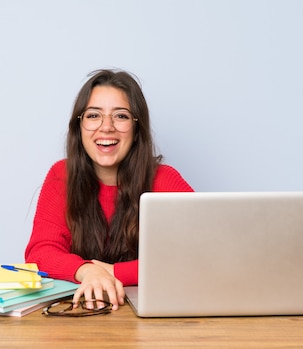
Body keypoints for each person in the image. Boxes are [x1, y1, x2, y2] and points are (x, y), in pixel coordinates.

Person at [24, 69, 193, 310]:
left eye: (121, 116)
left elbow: (199, 252)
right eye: (93, 115)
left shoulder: (164, 180)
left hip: (154, 317)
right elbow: (41, 252)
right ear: (79, 126)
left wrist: (115, 272)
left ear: (136, 129)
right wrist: (88, 271)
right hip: (81, 316)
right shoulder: (61, 176)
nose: (106, 127)